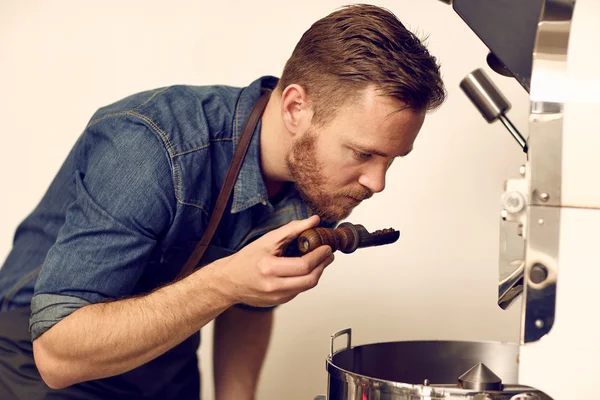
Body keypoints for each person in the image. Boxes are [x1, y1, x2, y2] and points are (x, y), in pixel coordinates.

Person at [0, 3, 445, 399]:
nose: (377, 182)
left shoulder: (311, 180)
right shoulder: (151, 145)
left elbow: (249, 305)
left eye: (391, 159)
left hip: (166, 364)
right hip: (39, 360)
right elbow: (56, 356)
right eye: (363, 153)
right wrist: (225, 282)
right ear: (295, 108)